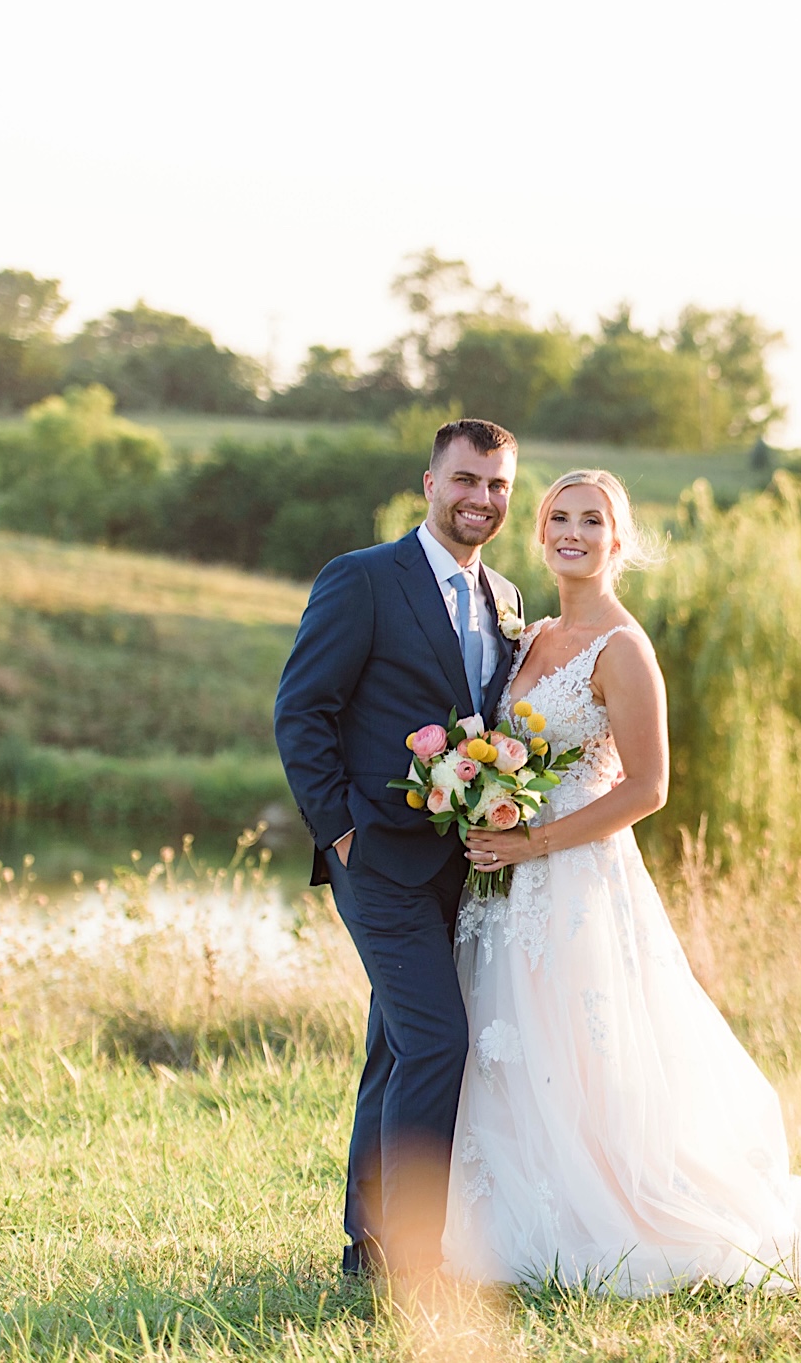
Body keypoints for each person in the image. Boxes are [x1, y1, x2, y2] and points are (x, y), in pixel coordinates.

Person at [452, 469, 801, 1292]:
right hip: (508, 882)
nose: (573, 532)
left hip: (574, 876)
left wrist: (536, 842)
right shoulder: (528, 639)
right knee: (510, 1040)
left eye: (592, 520)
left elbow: (648, 788)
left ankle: (601, 1212)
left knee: (581, 1045)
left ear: (617, 540)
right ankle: (498, 1211)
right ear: (539, 532)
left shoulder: (624, 649)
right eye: (560, 516)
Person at [273, 419, 525, 1278]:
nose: (480, 499)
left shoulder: (506, 598)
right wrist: (339, 829)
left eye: (496, 484)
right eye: (465, 480)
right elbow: (301, 710)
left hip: (462, 866)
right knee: (437, 1041)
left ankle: (369, 1247)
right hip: (376, 857)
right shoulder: (363, 578)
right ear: (429, 483)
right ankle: (411, 1254)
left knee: (397, 1046)